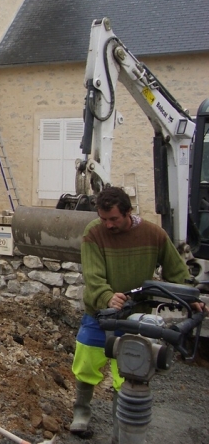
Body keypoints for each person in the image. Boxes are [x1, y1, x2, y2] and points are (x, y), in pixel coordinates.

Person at [70, 186, 201, 440]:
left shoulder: (153, 234)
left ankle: (122, 428)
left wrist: (190, 298)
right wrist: (108, 296)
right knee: (86, 363)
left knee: (128, 372)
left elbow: (176, 270)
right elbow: (93, 275)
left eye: (113, 219)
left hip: (135, 317)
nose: (107, 225)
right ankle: (81, 412)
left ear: (129, 212)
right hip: (100, 313)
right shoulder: (94, 233)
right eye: (103, 218)